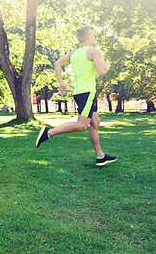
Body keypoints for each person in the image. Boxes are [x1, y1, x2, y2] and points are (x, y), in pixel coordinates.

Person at [35, 26, 117, 167]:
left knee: (95, 123)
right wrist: (107, 65)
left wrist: (61, 82)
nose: (94, 37)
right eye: (92, 35)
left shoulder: (73, 54)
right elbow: (101, 71)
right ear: (88, 38)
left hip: (80, 92)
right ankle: (49, 133)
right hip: (87, 93)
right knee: (81, 125)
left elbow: (57, 63)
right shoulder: (93, 52)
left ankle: (100, 156)